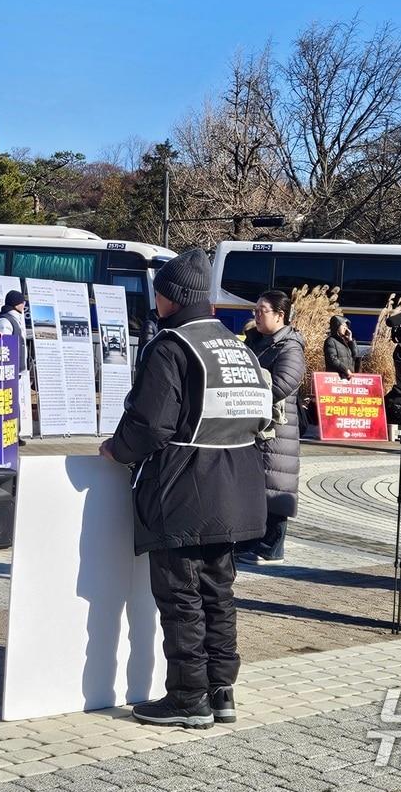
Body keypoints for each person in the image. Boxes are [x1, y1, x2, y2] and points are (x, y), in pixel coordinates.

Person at [101, 248, 273, 729]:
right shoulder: (236, 346)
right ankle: (222, 692)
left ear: (171, 296)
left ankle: (187, 698)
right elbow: (261, 416)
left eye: (159, 290)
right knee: (219, 593)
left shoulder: (172, 346)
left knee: (181, 598)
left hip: (182, 488)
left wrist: (117, 449)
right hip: (237, 489)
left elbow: (150, 424)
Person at [237, 291, 305, 565]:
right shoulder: (257, 342)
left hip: (277, 429)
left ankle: (271, 546)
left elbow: (283, 384)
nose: (256, 315)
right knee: (257, 484)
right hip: (256, 425)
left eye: (261, 310)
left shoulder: (290, 347)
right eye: (255, 310)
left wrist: (249, 396)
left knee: (275, 484)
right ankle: (252, 542)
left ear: (280, 315)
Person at [0, 290, 30, 373]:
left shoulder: (15, 319)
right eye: (23, 302)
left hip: (15, 369)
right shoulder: (5, 320)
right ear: (16, 304)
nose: (24, 305)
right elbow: (4, 346)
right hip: (10, 371)